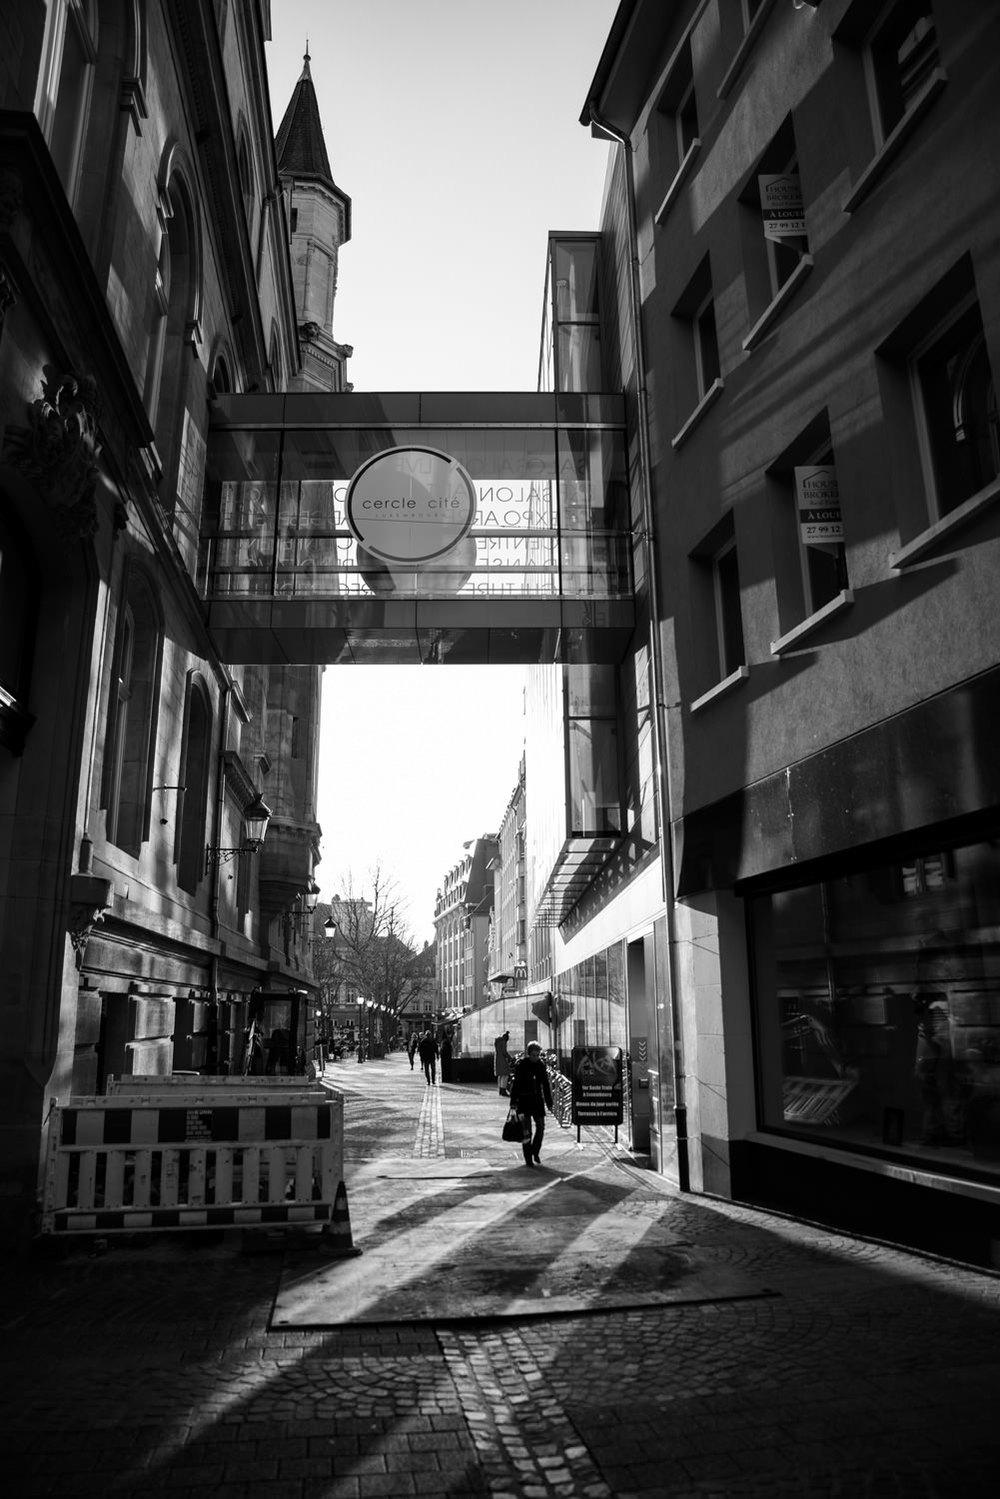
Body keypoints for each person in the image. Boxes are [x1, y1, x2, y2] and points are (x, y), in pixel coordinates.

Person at [508, 1041, 553, 1168]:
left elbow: (545, 1084)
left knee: (541, 1127)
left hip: (537, 1100)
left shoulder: (540, 1065)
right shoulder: (522, 1065)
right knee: (526, 1132)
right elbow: (516, 1085)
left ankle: (535, 1150)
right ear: (529, 1054)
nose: (536, 1058)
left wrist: (549, 1102)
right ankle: (528, 1157)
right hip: (524, 1101)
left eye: (537, 1055)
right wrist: (513, 1102)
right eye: (533, 1055)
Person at [494, 1030, 511, 1095]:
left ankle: (500, 1090)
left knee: (500, 1075)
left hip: (497, 1059)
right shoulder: (503, 1042)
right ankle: (503, 1090)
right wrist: (509, 1057)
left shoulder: (497, 1042)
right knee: (505, 1075)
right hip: (502, 1060)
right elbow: (504, 1052)